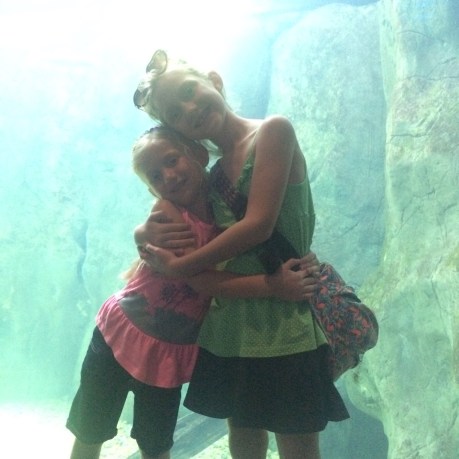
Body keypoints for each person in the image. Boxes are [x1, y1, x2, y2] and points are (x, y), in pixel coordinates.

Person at [133, 50, 350, 459]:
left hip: (288, 323)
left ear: (214, 81)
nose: (190, 109)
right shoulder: (209, 178)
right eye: (175, 113)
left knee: (297, 440)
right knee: (244, 438)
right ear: (178, 133)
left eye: (189, 91)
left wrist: (179, 267)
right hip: (232, 327)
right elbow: (179, 232)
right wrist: (142, 232)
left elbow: (259, 225)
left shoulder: (273, 132)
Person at [66, 125, 317, 459]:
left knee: (156, 442)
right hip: (120, 334)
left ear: (196, 154)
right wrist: (272, 286)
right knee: (90, 428)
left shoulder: (224, 211)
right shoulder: (168, 214)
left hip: (169, 351)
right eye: (156, 176)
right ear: (152, 189)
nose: (168, 176)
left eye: (171, 160)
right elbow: (199, 280)